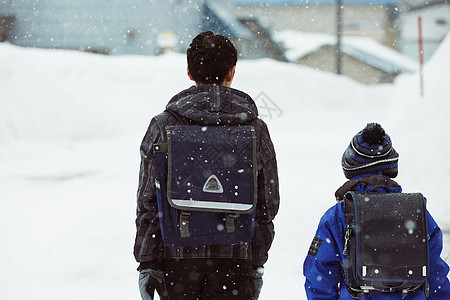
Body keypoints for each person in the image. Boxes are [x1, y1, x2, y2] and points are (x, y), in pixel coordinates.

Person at [134, 31, 280, 300]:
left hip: (175, 261)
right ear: (232, 72)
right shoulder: (255, 129)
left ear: (189, 72)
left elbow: (148, 202)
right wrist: (256, 263)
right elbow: (267, 205)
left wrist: (148, 263)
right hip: (235, 260)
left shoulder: (163, 126)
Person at [303, 123, 450, 299]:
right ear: (391, 167)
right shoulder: (416, 211)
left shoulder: (337, 215)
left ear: (349, 169)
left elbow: (318, 274)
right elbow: (435, 274)